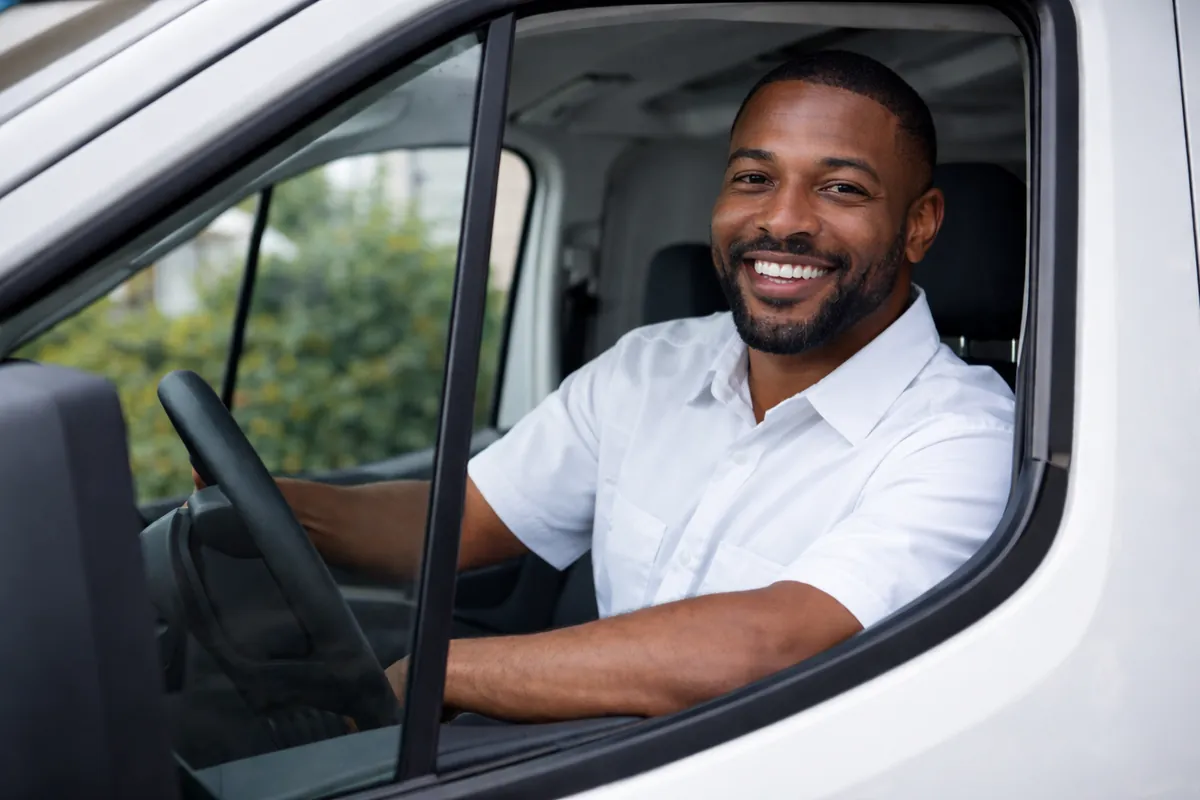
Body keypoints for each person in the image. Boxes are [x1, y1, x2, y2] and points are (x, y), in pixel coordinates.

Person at [250, 50, 1015, 722]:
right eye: (754, 177)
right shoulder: (652, 364)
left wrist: (442, 673)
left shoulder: (966, 440)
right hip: (599, 759)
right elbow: (459, 523)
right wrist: (271, 509)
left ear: (919, 225)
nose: (783, 220)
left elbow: (768, 646)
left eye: (841, 189)